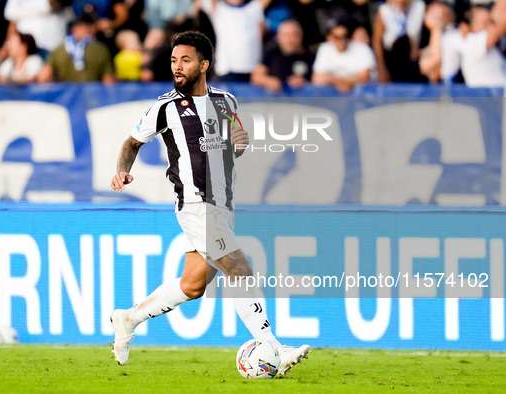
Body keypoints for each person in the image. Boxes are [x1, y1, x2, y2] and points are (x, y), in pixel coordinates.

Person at [109, 31, 311, 375]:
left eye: (185, 60)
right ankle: (273, 347)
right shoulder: (165, 107)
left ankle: (127, 319)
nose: (177, 67)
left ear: (204, 65)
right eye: (174, 60)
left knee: (192, 285)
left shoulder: (227, 102)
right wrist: (121, 171)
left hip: (222, 205)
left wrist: (240, 143)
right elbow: (131, 143)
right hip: (194, 204)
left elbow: (232, 144)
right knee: (240, 268)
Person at [37, 11, 115, 83]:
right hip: (92, 96)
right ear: (93, 28)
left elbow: (43, 77)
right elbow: (109, 82)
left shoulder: (59, 49)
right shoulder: (100, 49)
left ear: (73, 29)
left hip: (66, 96)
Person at [311, 19, 376, 92]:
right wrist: (343, 82)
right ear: (329, 38)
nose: (342, 40)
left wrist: (334, 81)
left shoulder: (362, 49)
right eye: (337, 37)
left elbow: (364, 78)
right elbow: (317, 78)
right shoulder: (325, 48)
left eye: (345, 36)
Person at [250, 19, 314, 93]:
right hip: (275, 101)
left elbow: (318, 81)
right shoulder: (271, 53)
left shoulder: (310, 56)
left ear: (301, 36)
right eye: (285, 35)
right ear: (279, 37)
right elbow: (256, 77)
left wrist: (304, 82)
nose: (289, 40)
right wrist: (268, 81)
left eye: (294, 35)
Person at [372, 0, 427, 82]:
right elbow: (377, 41)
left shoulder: (419, 6)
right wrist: (381, 68)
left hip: (413, 57)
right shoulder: (385, 10)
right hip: (391, 57)